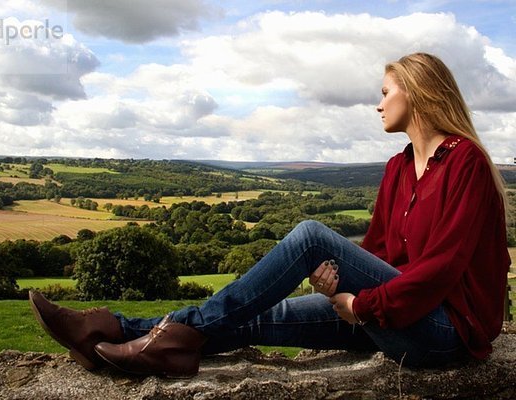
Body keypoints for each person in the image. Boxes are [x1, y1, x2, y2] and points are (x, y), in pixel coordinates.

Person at [29, 52, 511, 378]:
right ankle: (110, 331)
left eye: (386, 92)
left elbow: (441, 268)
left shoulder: (463, 161)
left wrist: (362, 306)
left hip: (445, 334)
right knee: (260, 316)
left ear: (418, 92)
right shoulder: (399, 166)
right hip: (394, 317)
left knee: (310, 236)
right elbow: (381, 251)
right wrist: (338, 281)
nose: (377, 103)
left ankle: (135, 336)